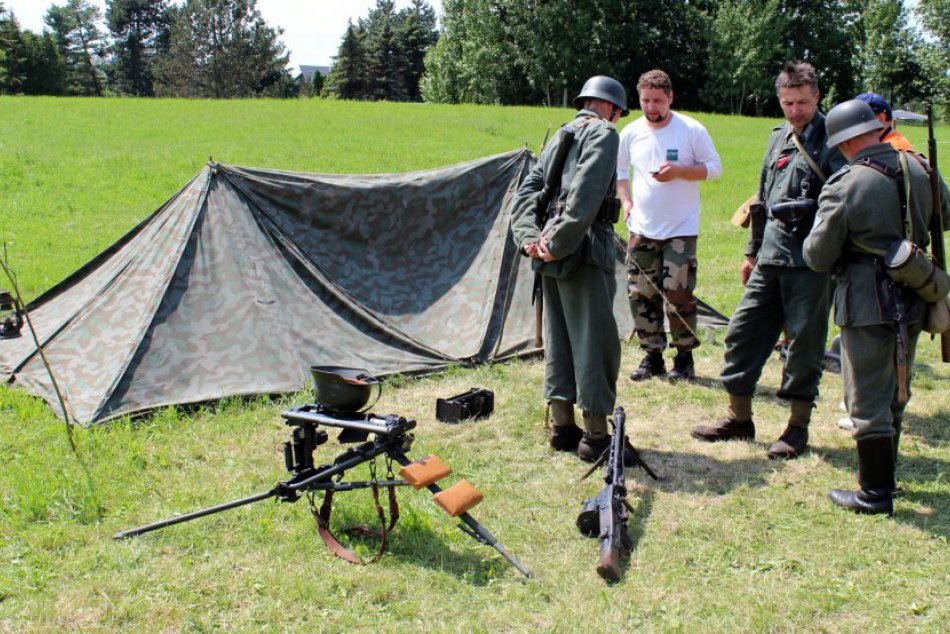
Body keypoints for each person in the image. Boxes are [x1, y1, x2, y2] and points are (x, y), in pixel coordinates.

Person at [690, 62, 847, 459]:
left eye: (803, 102)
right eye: (787, 102)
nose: (795, 110)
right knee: (741, 333)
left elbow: (843, 203)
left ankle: (797, 427)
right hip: (770, 257)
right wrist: (751, 252)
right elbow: (761, 200)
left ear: (817, 97)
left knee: (804, 346)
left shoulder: (834, 141)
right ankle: (739, 418)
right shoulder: (778, 137)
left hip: (811, 262)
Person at [803, 99, 950, 514]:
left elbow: (817, 256)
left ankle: (874, 493)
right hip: (916, 290)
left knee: (866, 398)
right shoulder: (919, 167)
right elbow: (945, 216)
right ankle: (885, 477)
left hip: (866, 299)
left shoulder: (847, 183)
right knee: (897, 388)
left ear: (843, 142)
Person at [510, 75, 628, 462]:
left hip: (549, 251)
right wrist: (557, 244)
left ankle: (562, 427)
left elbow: (527, 192)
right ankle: (596, 437)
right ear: (611, 107)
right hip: (583, 249)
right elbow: (585, 196)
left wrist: (531, 239)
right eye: (618, 111)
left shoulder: (562, 135)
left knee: (559, 337)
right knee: (594, 341)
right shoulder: (604, 133)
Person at [617, 69, 722, 382]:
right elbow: (620, 172)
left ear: (671, 98)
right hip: (642, 228)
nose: (651, 107)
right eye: (646, 100)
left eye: (658, 101)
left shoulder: (691, 129)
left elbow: (714, 168)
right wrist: (626, 201)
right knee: (640, 293)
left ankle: (684, 358)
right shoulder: (630, 132)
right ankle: (652, 357)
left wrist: (680, 171)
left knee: (678, 294)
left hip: (680, 229)